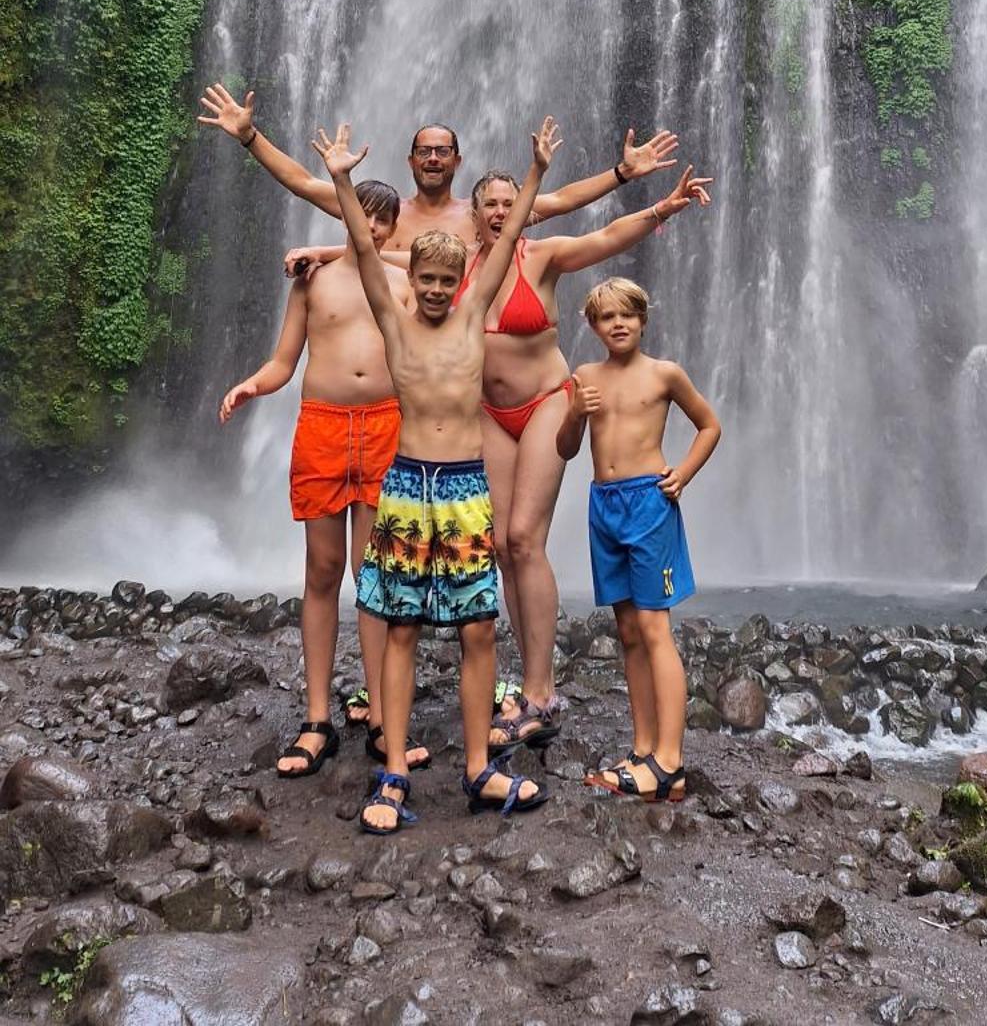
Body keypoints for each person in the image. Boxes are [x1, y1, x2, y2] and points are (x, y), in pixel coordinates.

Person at [312, 113, 562, 835]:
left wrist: (538, 171)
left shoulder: (470, 314)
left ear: (461, 283)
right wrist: (339, 177)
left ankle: (479, 767)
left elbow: (508, 237)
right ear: (407, 279)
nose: (432, 287)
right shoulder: (394, 327)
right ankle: (391, 772)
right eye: (422, 276)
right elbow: (362, 246)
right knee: (399, 632)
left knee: (479, 630)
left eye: (444, 279)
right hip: (405, 486)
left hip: (462, 492)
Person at [455, 162, 711, 753]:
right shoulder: (454, 262)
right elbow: (378, 256)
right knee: (498, 546)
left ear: (523, 208)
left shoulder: (540, 256)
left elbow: (603, 238)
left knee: (523, 538)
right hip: (487, 412)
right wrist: (317, 252)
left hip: (548, 400)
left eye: (507, 202)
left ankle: (541, 691)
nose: (498, 211)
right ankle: (523, 681)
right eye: (488, 204)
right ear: (473, 214)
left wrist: (663, 208)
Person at [217, 179, 430, 778]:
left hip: (387, 427)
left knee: (373, 575)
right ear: (344, 215)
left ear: (393, 228)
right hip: (323, 427)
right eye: (362, 215)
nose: (372, 226)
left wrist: (340, 251)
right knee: (322, 570)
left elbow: (440, 284)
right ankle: (317, 720)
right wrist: (252, 384)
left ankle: (385, 717)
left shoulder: (403, 280)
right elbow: (285, 361)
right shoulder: (311, 282)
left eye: (383, 219)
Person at [555, 275, 721, 802]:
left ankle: (669, 761)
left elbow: (710, 425)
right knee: (627, 630)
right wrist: (576, 414)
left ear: (643, 320)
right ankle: (643, 747)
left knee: (653, 628)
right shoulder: (584, 377)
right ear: (593, 325)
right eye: (607, 317)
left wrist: (684, 474)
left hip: (650, 504)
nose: (618, 323)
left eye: (628, 314)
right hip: (603, 505)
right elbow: (565, 448)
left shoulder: (664, 374)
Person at [197, 80, 677, 253]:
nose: (432, 157)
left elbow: (561, 200)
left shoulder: (483, 216)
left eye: (442, 151)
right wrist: (250, 138)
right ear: (410, 161)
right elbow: (303, 182)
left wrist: (620, 173)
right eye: (424, 151)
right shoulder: (377, 212)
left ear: (457, 160)